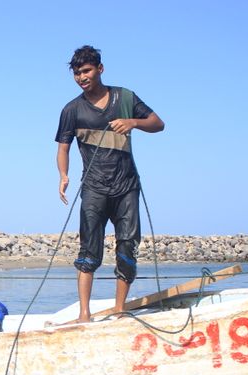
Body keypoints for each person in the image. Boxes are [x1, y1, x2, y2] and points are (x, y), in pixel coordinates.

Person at [55, 45, 164, 323]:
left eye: (87, 70)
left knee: (127, 247)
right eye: (77, 73)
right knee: (89, 250)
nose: (82, 77)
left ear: (100, 69)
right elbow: (63, 147)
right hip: (93, 188)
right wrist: (63, 176)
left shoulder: (125, 97)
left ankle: (119, 309)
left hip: (127, 186)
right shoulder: (72, 109)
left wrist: (133, 122)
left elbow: (158, 123)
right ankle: (84, 314)